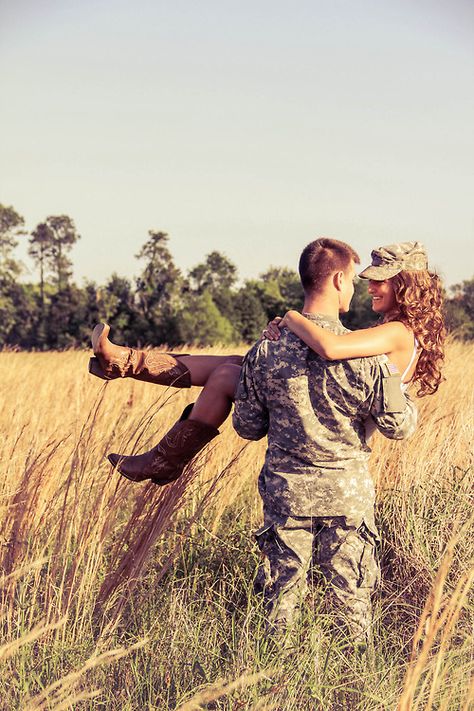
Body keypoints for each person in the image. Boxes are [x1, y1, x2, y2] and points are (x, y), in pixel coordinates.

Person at [230, 238, 444, 648]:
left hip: (286, 494)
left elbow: (247, 426)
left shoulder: (265, 350)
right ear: (340, 279)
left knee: (280, 604)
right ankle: (351, 689)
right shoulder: (369, 356)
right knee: (351, 610)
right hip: (347, 497)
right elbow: (398, 427)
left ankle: (270, 687)